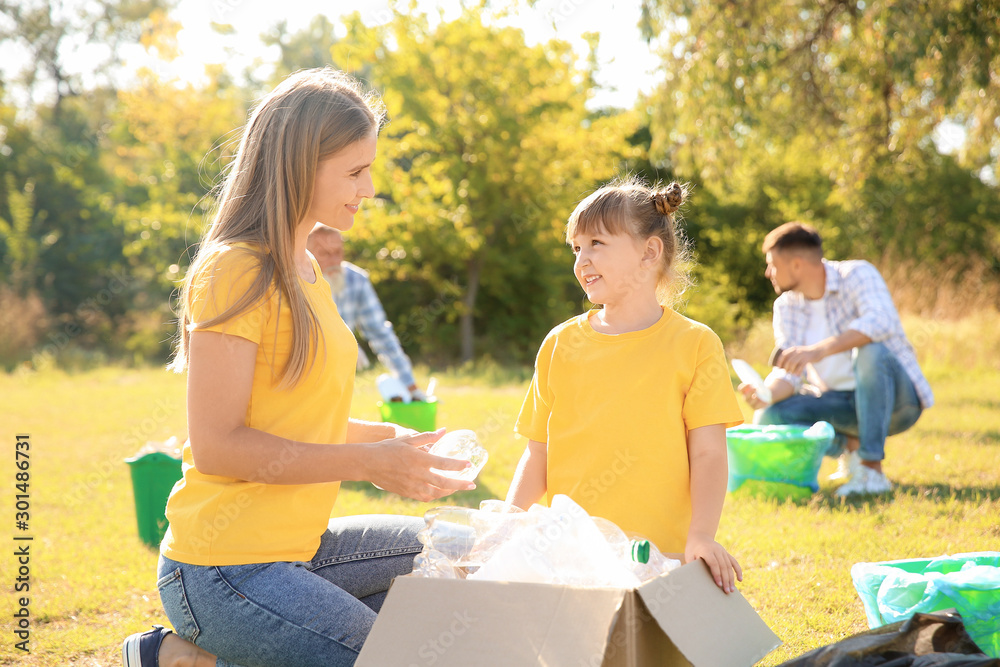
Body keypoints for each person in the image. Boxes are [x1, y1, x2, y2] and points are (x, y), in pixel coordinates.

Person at [120, 67, 474, 667]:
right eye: (356, 171)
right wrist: (368, 463)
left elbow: (299, 421)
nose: (368, 190)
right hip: (223, 567)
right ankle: (187, 653)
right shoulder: (236, 269)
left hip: (301, 548)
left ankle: (191, 660)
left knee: (466, 555)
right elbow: (218, 446)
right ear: (299, 164)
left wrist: (393, 441)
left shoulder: (308, 269)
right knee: (395, 656)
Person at [504, 177, 745, 594]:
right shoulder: (560, 343)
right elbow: (537, 451)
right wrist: (506, 525)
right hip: (570, 556)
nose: (582, 259)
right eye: (576, 248)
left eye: (596, 243)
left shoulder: (695, 344)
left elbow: (708, 452)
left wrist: (701, 535)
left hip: (658, 559)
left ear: (649, 252)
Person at [740, 222, 933, 497]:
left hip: (897, 403)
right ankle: (849, 447)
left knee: (871, 350)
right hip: (840, 404)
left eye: (772, 264)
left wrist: (818, 350)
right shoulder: (786, 306)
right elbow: (791, 372)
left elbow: (881, 321)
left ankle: (871, 470)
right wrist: (766, 394)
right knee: (770, 414)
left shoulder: (857, 274)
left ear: (796, 265)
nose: (767, 272)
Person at [307, 224, 427, 400]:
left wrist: (410, 385)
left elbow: (380, 333)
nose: (334, 260)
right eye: (325, 253)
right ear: (307, 253)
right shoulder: (295, 279)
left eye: (338, 252)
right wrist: (342, 343)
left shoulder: (356, 280)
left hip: (337, 378)